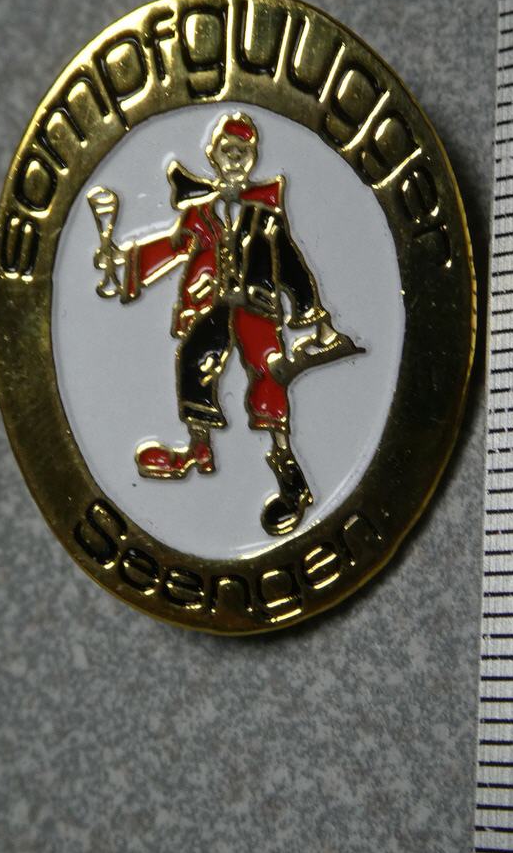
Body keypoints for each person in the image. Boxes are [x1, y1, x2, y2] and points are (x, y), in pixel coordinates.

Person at [88, 111, 350, 536]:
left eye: (243, 152)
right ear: (213, 156)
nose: (234, 158)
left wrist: (314, 316)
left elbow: (291, 263)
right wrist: (121, 259)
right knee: (194, 359)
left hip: (255, 307)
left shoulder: (265, 213)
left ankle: (289, 473)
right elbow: (172, 249)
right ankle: (198, 448)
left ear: (253, 157)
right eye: (227, 150)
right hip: (211, 305)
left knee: (267, 373)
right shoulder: (201, 212)